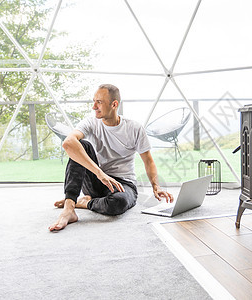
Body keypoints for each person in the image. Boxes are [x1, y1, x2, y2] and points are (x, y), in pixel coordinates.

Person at [49, 84, 173, 231]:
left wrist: (156, 187)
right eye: (93, 101)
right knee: (81, 145)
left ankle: (85, 203)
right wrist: (100, 173)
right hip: (97, 179)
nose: (94, 106)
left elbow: (148, 160)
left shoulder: (134, 128)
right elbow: (68, 143)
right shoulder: (91, 122)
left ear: (114, 104)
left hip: (123, 184)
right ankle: (69, 210)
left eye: (99, 102)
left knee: (117, 203)